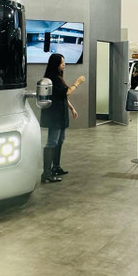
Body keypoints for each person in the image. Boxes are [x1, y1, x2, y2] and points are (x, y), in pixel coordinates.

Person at [39, 53, 84, 183]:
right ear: (56, 64)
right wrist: (77, 83)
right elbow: (66, 92)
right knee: (52, 142)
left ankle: (56, 167)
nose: (64, 65)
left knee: (60, 140)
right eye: (62, 62)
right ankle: (46, 173)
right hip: (54, 115)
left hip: (60, 114)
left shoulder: (58, 78)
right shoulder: (52, 78)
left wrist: (72, 108)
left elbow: (62, 96)